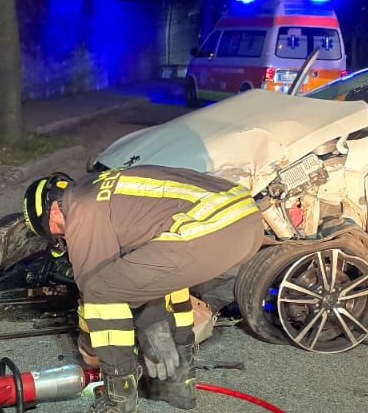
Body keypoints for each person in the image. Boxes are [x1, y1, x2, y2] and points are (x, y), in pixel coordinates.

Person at [22, 165, 265, 413]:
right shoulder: (98, 188)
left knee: (100, 290)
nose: (60, 238)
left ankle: (119, 399)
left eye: (52, 233)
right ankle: (175, 385)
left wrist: (92, 349)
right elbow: (138, 275)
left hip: (213, 229)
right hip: (245, 219)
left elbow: (94, 287)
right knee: (156, 273)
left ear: (53, 211)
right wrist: (152, 320)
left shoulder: (81, 212)